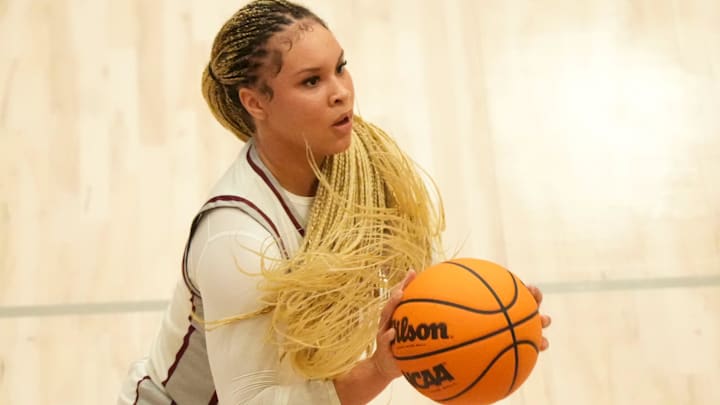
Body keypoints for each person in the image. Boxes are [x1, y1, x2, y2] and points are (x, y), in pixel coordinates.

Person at [118, 1, 551, 404]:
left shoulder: (363, 165)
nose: (341, 92)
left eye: (340, 68)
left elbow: (415, 274)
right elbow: (254, 401)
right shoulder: (236, 238)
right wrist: (377, 370)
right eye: (311, 80)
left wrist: (495, 320)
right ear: (255, 102)